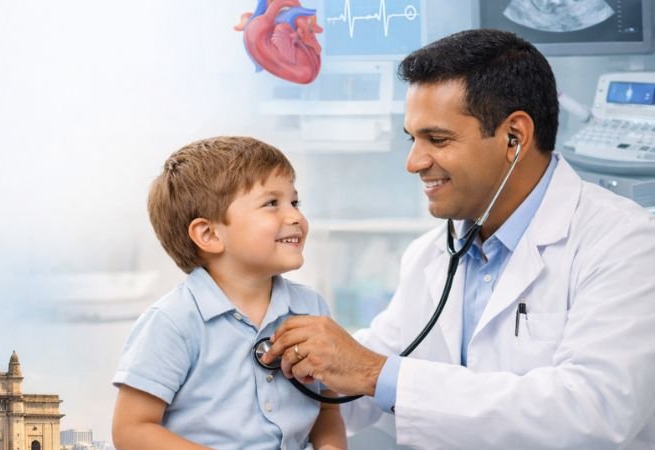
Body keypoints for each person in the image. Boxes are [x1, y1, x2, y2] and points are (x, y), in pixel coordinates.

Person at [262, 28, 655, 448]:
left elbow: (595, 412)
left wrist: (374, 372)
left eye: (438, 139)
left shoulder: (624, 244)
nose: (414, 162)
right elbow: (363, 388)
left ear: (514, 137)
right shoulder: (431, 255)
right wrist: (286, 363)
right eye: (412, 139)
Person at [111, 136, 347, 450]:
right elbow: (132, 430)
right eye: (271, 204)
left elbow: (327, 406)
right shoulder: (173, 322)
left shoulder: (311, 307)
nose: (295, 217)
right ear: (209, 234)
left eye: (295, 202)